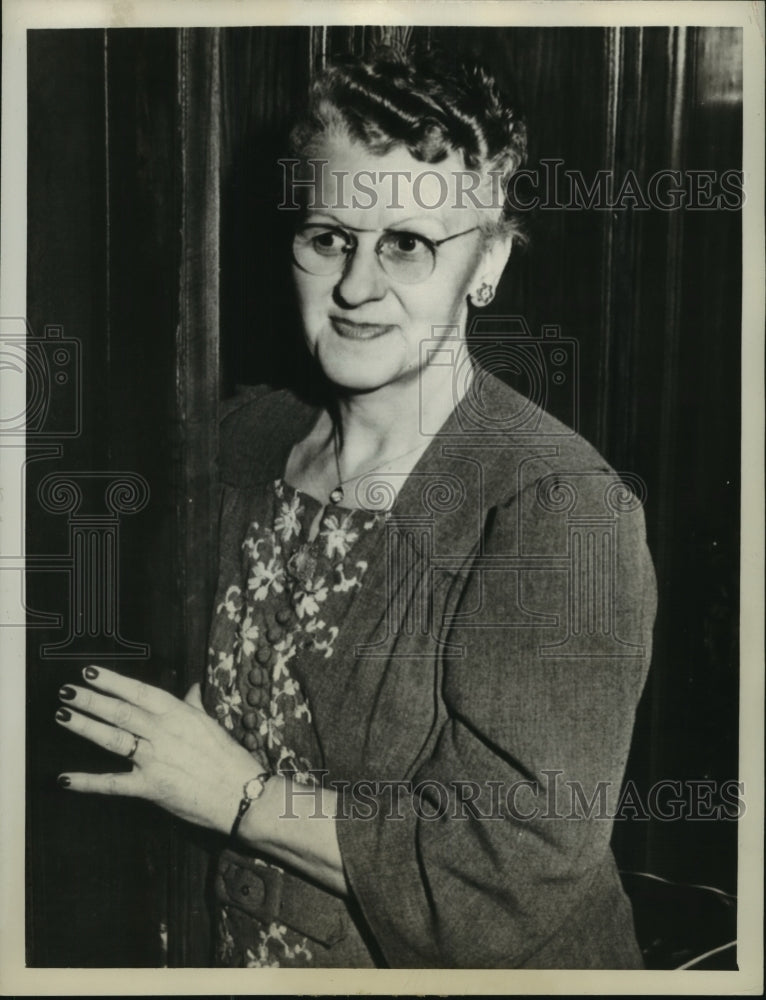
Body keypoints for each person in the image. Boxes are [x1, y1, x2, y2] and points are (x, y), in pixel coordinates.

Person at [54, 47, 657, 968]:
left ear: (487, 260)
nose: (357, 287)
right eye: (330, 236)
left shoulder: (558, 511)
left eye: (408, 244)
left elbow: (513, 870)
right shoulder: (242, 438)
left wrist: (239, 797)